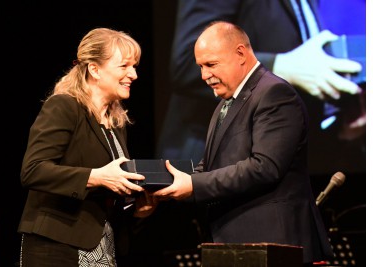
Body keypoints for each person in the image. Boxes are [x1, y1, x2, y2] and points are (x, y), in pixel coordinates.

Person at [153, 21, 334, 266]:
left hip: (276, 244)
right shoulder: (224, 104)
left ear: (240, 53)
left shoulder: (275, 94)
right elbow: (211, 167)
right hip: (238, 245)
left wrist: (193, 184)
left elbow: (264, 167)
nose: (204, 75)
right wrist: (168, 185)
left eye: (211, 64)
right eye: (200, 67)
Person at [156, 0, 365, 174]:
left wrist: (340, 110)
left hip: (274, 160)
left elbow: (303, 65)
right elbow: (186, 63)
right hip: (214, 164)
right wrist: (283, 66)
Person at [18, 28, 157, 267]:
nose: (133, 74)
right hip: (56, 247)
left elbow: (106, 199)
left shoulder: (115, 123)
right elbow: (33, 170)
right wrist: (97, 177)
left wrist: (137, 210)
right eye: (124, 66)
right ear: (94, 69)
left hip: (102, 248)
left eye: (134, 66)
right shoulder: (64, 107)